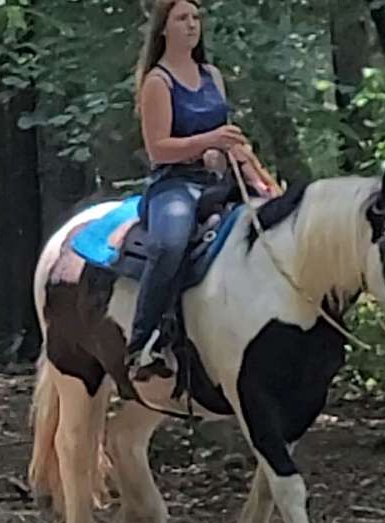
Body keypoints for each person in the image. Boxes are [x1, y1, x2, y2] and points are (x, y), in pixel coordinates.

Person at [127, 0, 270, 379]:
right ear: (163, 29)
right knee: (169, 244)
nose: (191, 25)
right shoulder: (158, 82)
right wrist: (210, 140)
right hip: (175, 184)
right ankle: (143, 341)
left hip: (219, 181)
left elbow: (232, 142)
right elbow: (158, 149)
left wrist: (260, 178)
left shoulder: (212, 75)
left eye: (195, 18)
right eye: (182, 19)